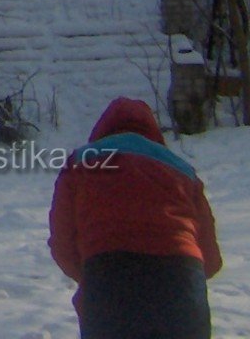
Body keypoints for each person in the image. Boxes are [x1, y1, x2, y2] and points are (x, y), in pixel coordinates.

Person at [48, 97, 222, 339]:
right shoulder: (182, 170)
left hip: (109, 280)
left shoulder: (81, 161)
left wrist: (92, 275)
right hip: (181, 282)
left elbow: (63, 244)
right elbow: (211, 258)